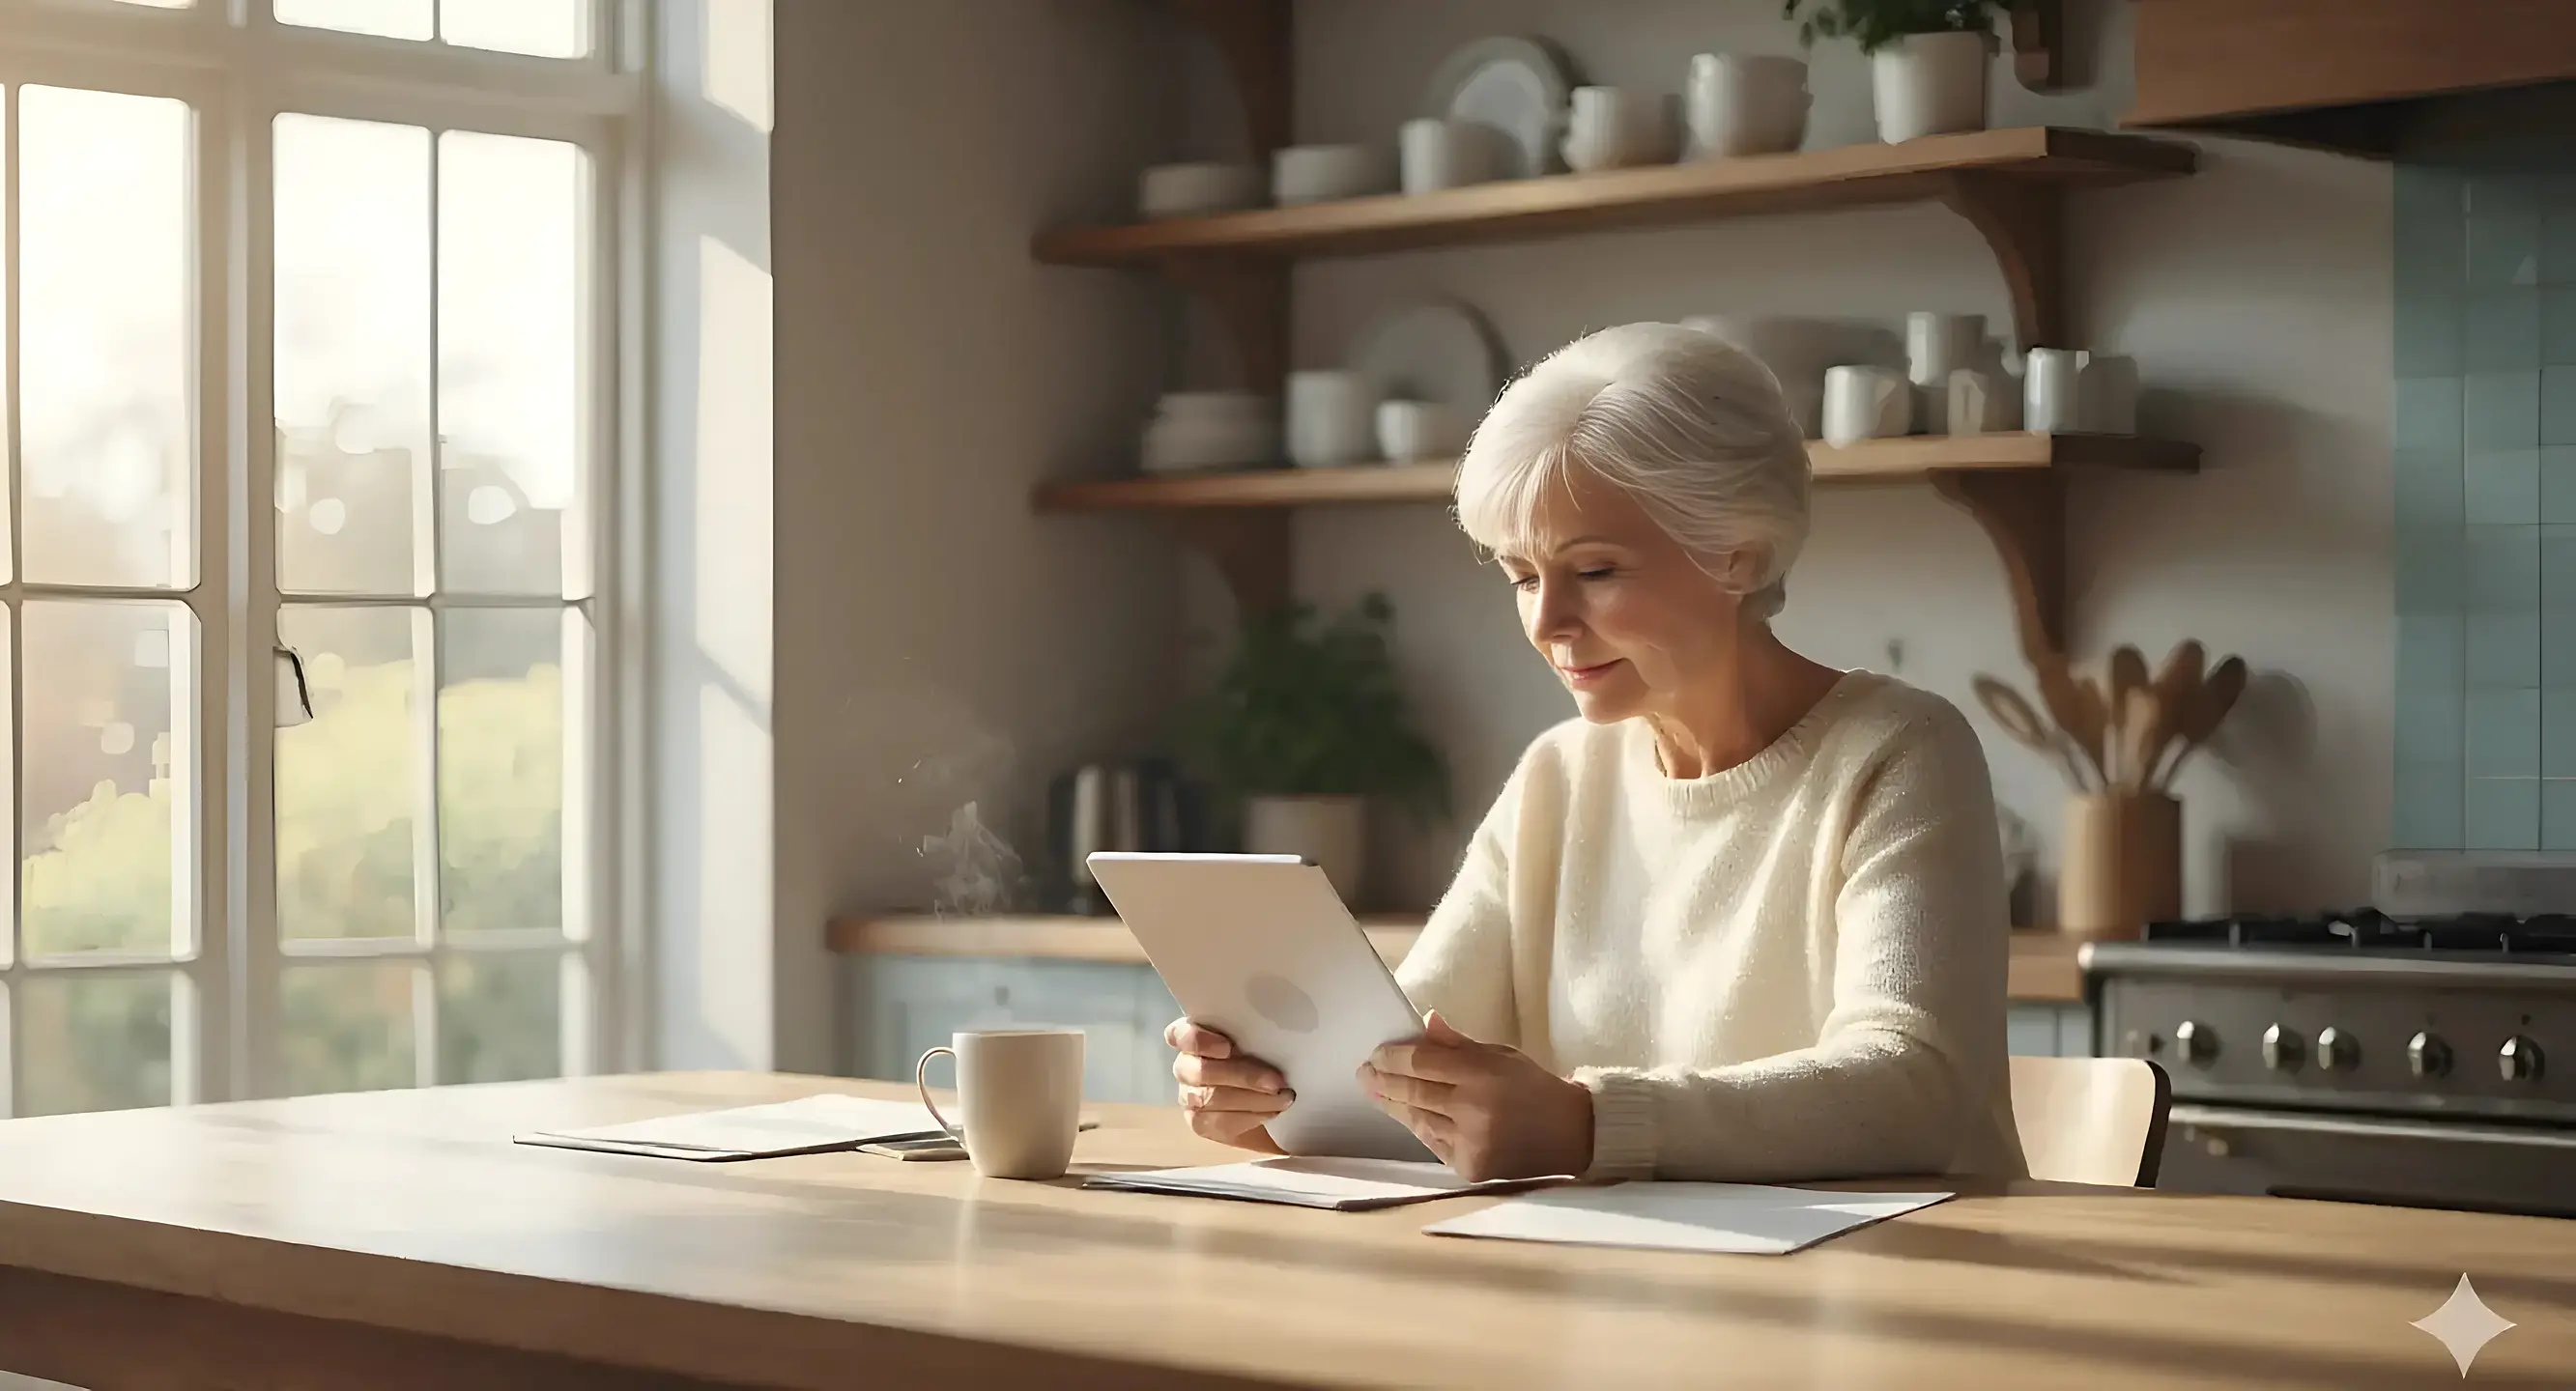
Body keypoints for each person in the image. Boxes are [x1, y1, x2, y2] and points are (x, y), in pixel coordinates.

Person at [1166, 322, 2026, 1184]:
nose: (1546, 625)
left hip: (1892, 1289)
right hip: (1625, 1289)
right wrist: (1275, 1098)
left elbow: (1913, 1088)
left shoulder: (1900, 751)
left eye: (1597, 570)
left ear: (1738, 550)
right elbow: (1401, 1055)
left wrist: (1590, 1125)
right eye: (1523, 577)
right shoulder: (1559, 775)